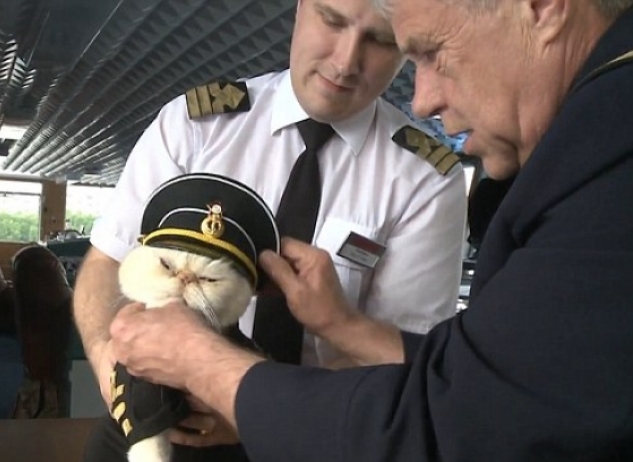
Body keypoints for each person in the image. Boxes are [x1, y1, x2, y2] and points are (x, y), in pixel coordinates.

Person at [109, 0, 633, 460]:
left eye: (427, 52)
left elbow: (447, 424)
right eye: (332, 19)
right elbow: (479, 377)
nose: (422, 100)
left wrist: (204, 366)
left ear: (541, 7)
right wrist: (343, 325)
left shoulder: (602, 158)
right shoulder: (194, 123)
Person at [75, 0, 467, 459]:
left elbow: (400, 364)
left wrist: (254, 406)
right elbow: (108, 261)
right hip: (156, 420)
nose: (346, 61)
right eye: (332, 20)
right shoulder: (196, 126)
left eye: (380, 40)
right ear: (300, 8)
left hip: (313, 437)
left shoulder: (424, 180)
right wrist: (109, 367)